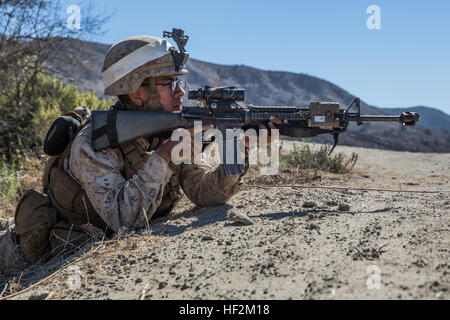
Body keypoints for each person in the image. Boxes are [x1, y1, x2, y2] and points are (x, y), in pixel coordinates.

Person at [0, 34, 281, 273]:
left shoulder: (172, 128)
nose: (181, 92)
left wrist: (241, 148)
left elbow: (203, 192)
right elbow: (125, 220)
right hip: (23, 252)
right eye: (170, 83)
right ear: (137, 93)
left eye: (180, 82)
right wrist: (163, 156)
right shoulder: (94, 143)